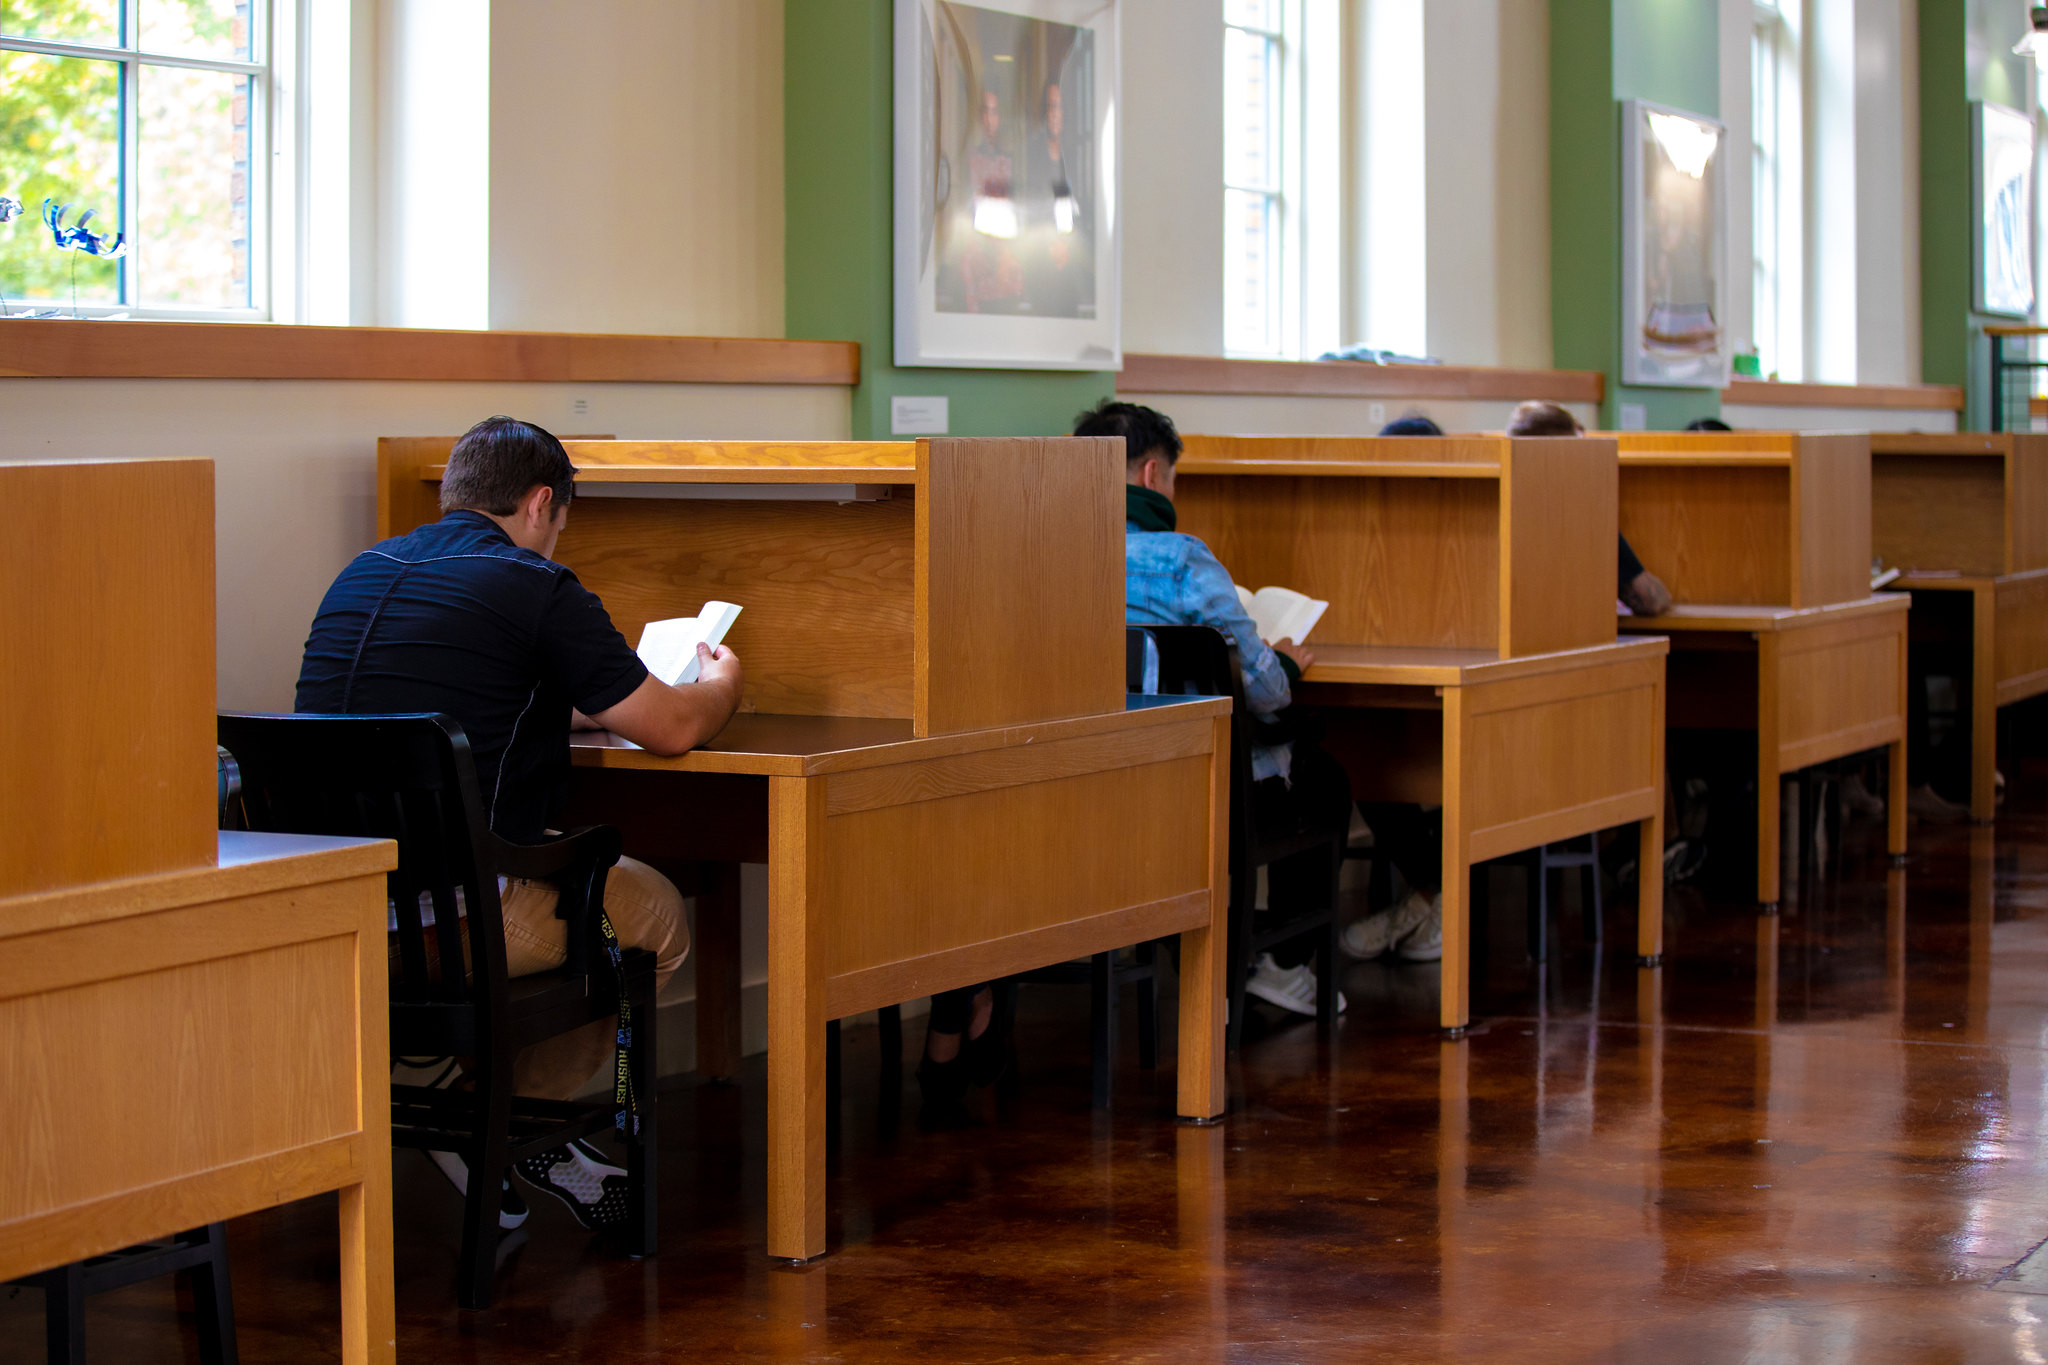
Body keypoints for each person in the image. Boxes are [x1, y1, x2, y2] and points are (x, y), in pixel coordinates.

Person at [296, 415, 744, 1232]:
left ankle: (482, 1111)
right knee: (657, 914)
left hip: (339, 910)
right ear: (543, 501)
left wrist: (563, 713)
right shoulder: (538, 586)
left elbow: (449, 707)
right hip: (463, 920)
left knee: (586, 887)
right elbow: (676, 727)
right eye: (564, 519)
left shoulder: (362, 571)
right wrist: (724, 684)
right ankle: (494, 1114)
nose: (558, 536)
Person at [1077, 398, 1356, 1016]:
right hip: (1196, 786)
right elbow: (1267, 691)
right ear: (1152, 475)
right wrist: (1284, 659)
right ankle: (1279, 968)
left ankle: (1214, 969)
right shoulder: (1180, 559)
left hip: (1087, 782)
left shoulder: (1043, 555)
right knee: (1326, 781)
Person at [1506, 400, 1673, 617]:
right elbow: (1649, 600)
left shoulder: (1493, 496)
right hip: (1565, 634)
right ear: (1568, 449)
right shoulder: (1581, 509)